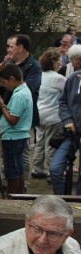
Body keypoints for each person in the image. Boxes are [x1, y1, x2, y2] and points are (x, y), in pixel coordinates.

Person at [0, 64, 33, 195]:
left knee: (12, 171)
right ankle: (20, 194)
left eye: (5, 82)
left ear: (12, 78)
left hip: (13, 136)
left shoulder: (19, 95)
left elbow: (12, 120)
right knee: (18, 169)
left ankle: (12, 197)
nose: (4, 86)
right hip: (18, 136)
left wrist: (1, 106)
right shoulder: (23, 91)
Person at [49, 44, 81, 195]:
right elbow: (63, 102)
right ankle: (60, 202)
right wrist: (68, 120)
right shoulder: (73, 78)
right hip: (71, 134)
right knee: (55, 169)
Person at [31, 49, 65, 179]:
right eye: (59, 61)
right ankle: (52, 171)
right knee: (51, 144)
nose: (61, 64)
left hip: (39, 114)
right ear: (53, 62)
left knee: (40, 142)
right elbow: (67, 92)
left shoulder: (39, 75)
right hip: (53, 115)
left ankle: (37, 168)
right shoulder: (58, 78)